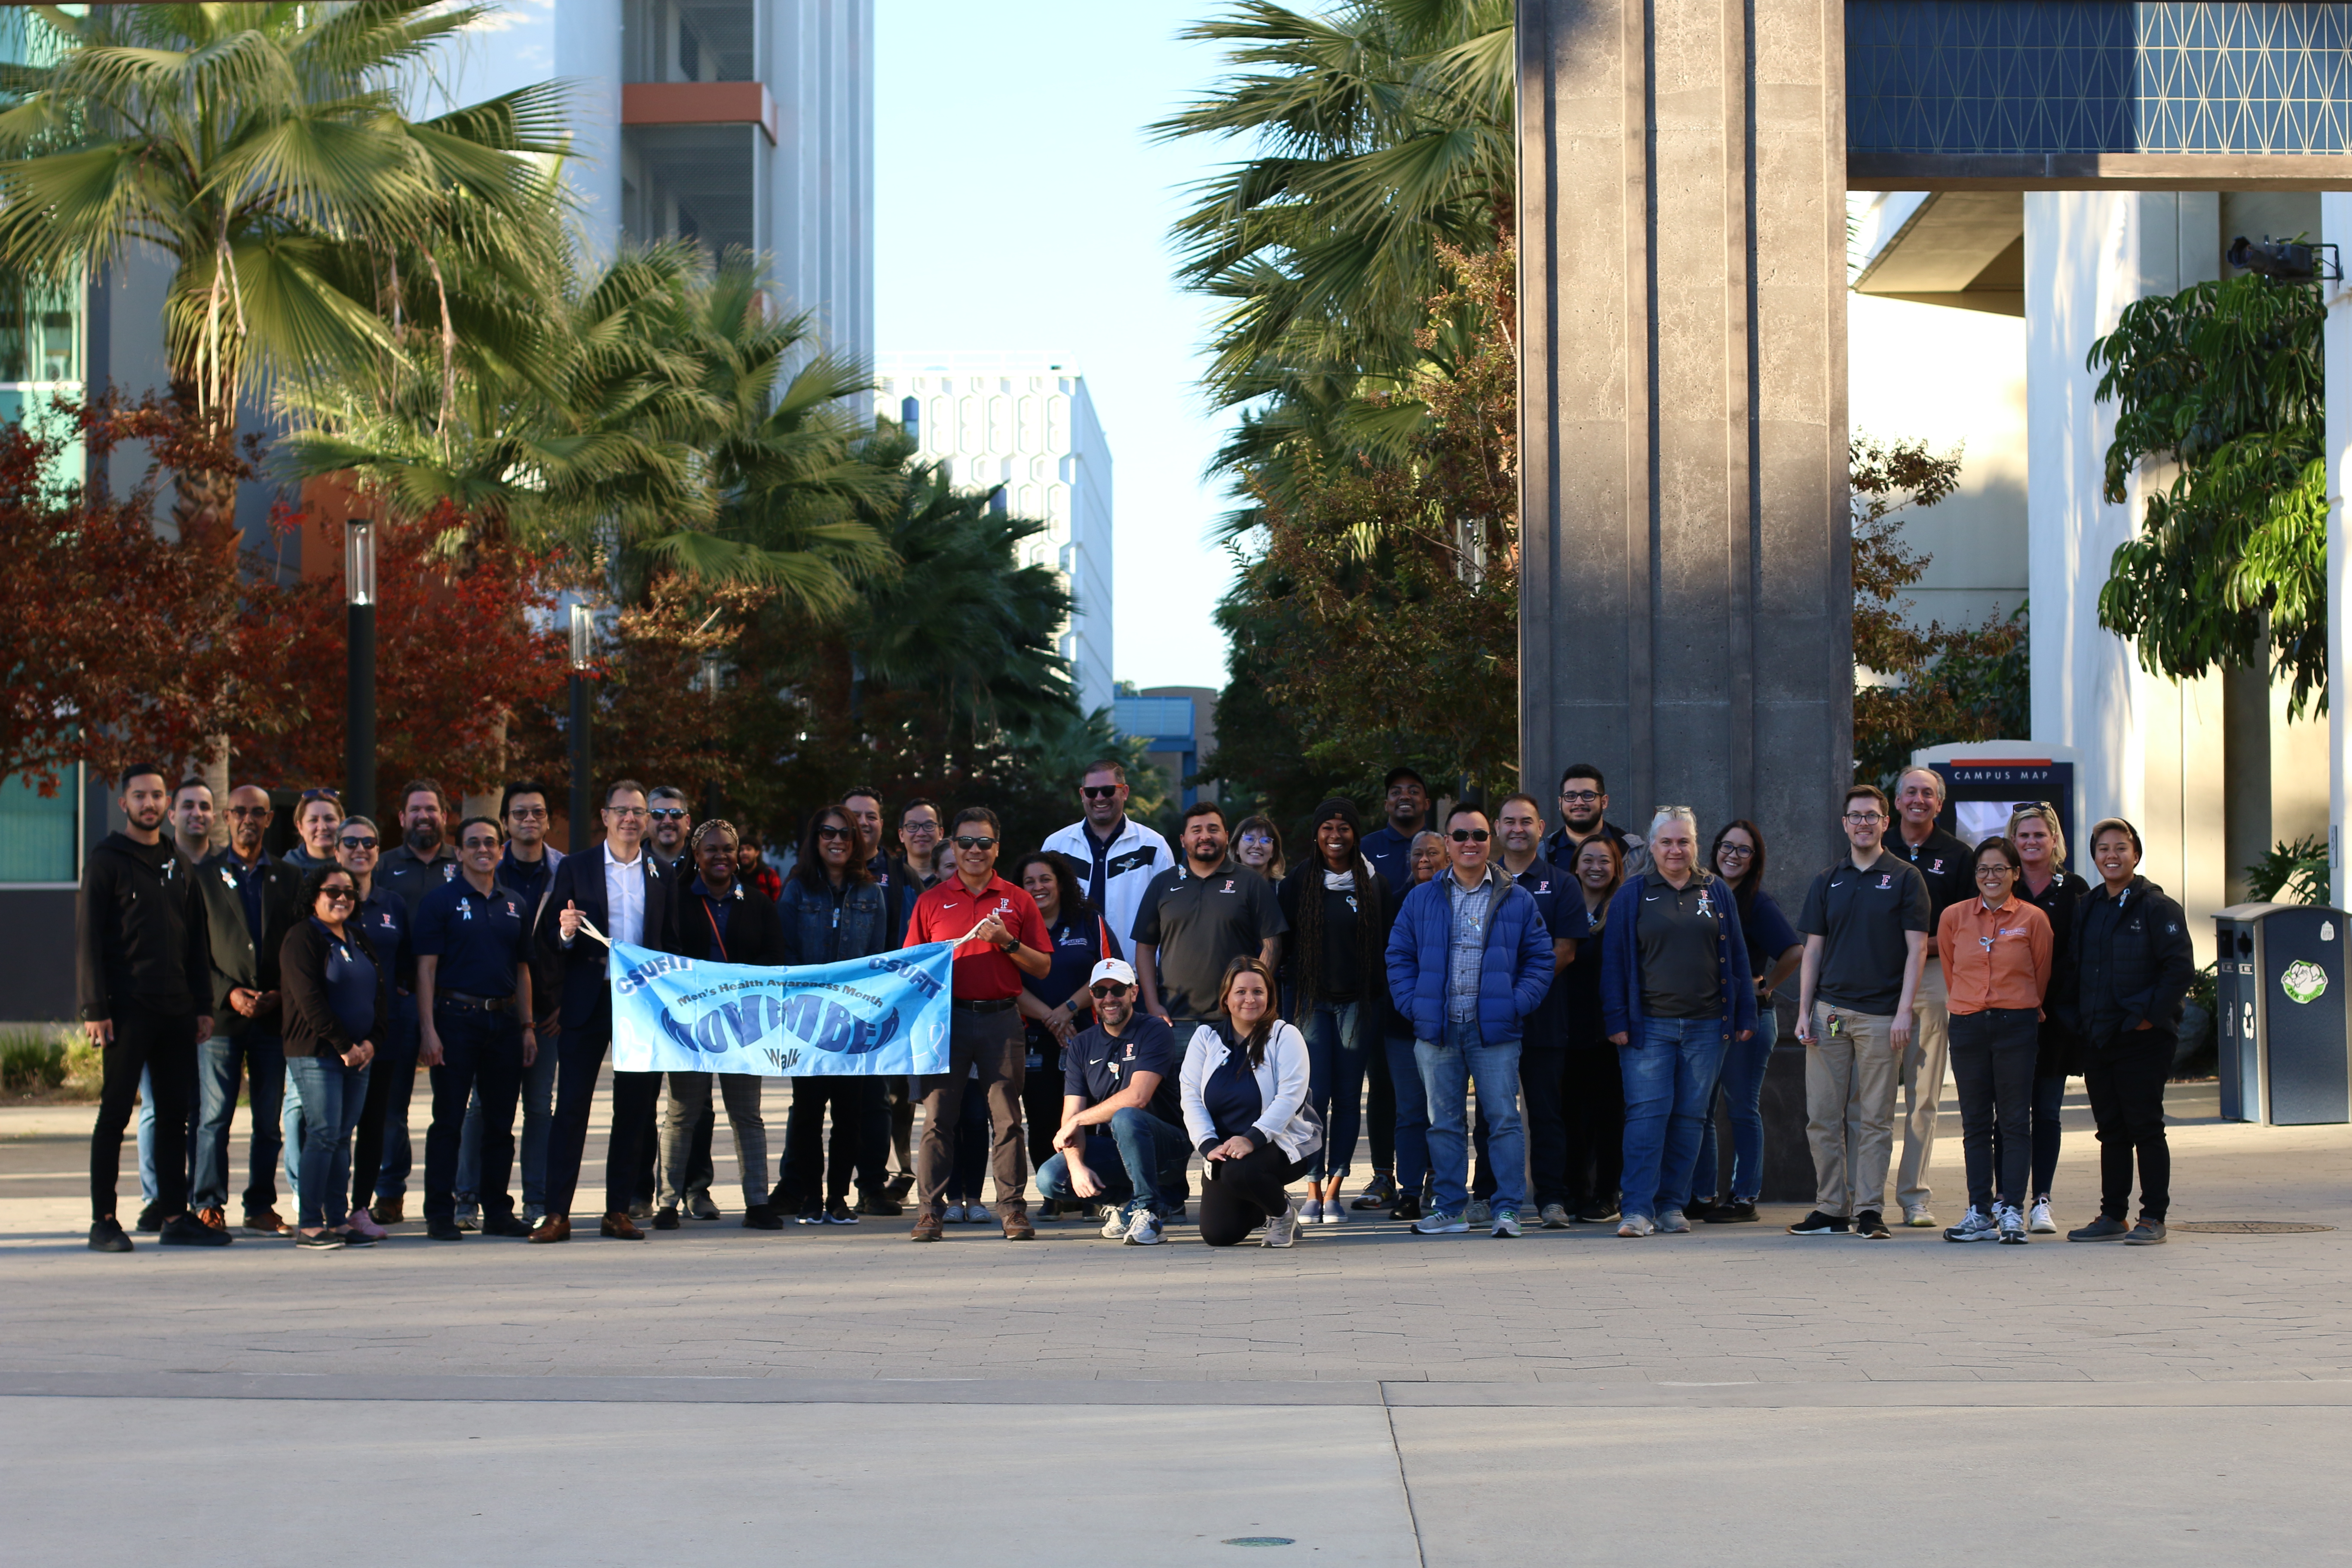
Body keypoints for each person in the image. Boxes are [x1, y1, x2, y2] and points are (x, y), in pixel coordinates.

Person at [1384, 802, 1555, 1239]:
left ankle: (1508, 1209)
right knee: (1443, 1123)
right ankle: (1450, 1209)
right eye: (1460, 836)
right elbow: (1398, 956)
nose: (1470, 844)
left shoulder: (1517, 897)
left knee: (1503, 1121)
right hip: (1437, 1029)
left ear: (1490, 840)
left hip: (1495, 1032)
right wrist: (1415, 1005)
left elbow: (1540, 958)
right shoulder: (1422, 898)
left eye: (1479, 835)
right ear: (1447, 843)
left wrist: (1516, 1003)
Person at [80, 764, 228, 1252]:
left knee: (173, 1117)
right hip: (125, 1009)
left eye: (157, 796)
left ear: (167, 804)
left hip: (176, 1011)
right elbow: (87, 939)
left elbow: (195, 940)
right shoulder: (106, 860)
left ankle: (173, 1216)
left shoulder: (177, 863)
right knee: (116, 1114)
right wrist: (94, 1008)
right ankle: (104, 1221)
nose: (150, 804)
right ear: (124, 804)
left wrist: (203, 1006)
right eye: (140, 796)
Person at [1599, 807, 1757, 1237]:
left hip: (1707, 1028)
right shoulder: (1633, 893)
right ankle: (1636, 1209)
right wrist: (1617, 1018)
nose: (1675, 850)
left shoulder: (1716, 891)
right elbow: (1612, 961)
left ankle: (1671, 1206)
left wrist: (1745, 1012)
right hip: (1648, 1027)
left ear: (1695, 844)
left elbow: (1738, 956)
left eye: (1683, 841)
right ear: (1653, 847)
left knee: (1689, 1119)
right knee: (1647, 1118)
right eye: (1666, 842)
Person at [903, 805, 1053, 1241]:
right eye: (965, 842)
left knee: (1007, 1120)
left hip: (1001, 1019)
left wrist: (1007, 942)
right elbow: (913, 968)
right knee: (937, 1120)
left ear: (997, 848)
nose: (974, 851)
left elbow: (1042, 967)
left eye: (984, 843)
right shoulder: (931, 900)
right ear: (952, 846)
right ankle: (930, 1212)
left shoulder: (1017, 899)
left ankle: (1013, 1210)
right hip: (946, 1021)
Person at [537, 780, 677, 1242]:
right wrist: (567, 932)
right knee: (572, 1108)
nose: (631, 819)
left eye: (641, 812)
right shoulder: (576, 867)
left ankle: (618, 1210)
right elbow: (550, 941)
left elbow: (670, 942)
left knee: (634, 1109)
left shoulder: (661, 873)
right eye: (622, 811)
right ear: (605, 816)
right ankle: (557, 1212)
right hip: (587, 999)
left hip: (640, 1005)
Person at [1790, 784, 1932, 1240]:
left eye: (1873, 816)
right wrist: (1804, 1009)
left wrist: (1905, 1012)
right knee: (1823, 1116)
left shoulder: (1907, 877)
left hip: (1881, 1017)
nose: (1864, 823)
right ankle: (1832, 1208)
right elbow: (1812, 951)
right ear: (1846, 824)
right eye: (1856, 816)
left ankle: (1870, 1209)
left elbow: (1917, 952)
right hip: (1829, 1013)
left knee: (1874, 1118)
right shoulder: (1828, 879)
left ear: (1885, 823)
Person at [2063, 818, 2193, 1246]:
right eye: (2103, 848)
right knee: (2111, 1129)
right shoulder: (2088, 905)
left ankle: (2153, 1216)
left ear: (2136, 854)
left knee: (2145, 1126)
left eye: (2121, 847)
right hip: (2100, 1036)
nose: (2112, 855)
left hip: (2143, 1037)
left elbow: (2179, 969)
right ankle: (2112, 1215)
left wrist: (2147, 1017)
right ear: (2094, 855)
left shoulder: (2157, 907)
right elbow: (2077, 969)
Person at [414, 818, 538, 1241]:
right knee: (448, 1121)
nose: (483, 849)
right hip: (455, 1019)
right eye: (473, 843)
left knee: (501, 1123)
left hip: (503, 1022)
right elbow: (425, 971)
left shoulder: (515, 903)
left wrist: (527, 1026)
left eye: (490, 842)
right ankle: (440, 1213)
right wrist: (428, 1030)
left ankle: (498, 1211)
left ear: (500, 850)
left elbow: (523, 971)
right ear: (460, 852)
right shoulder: (440, 903)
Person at [451, 781, 565, 1230]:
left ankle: (536, 1199)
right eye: (519, 813)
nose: (529, 820)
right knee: (481, 1108)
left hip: (550, 1014)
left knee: (539, 1107)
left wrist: (561, 1004)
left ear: (549, 820)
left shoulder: (567, 871)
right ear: (506, 823)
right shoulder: (484, 870)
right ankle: (468, 1198)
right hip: (493, 1011)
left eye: (537, 812)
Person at [774, 804, 895, 1226]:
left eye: (845, 834)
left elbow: (877, 961)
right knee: (807, 1114)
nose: (838, 840)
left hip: (852, 1025)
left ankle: (839, 1198)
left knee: (850, 1116)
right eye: (828, 833)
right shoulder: (796, 890)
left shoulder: (871, 893)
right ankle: (809, 1197)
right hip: (805, 1024)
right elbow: (784, 957)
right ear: (816, 839)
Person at [659, 818, 782, 1230]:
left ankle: (758, 1203)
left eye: (728, 849)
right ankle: (667, 1203)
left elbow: (775, 960)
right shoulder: (674, 899)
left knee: (747, 1114)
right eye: (711, 849)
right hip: (690, 1026)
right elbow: (662, 956)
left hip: (745, 1026)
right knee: (682, 1113)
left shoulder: (759, 903)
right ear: (695, 856)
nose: (721, 856)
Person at [191, 782, 300, 1234]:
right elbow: (194, 951)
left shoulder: (289, 878)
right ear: (226, 817)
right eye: (240, 812)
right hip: (221, 1016)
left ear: (270, 819)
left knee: (268, 1122)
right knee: (214, 1118)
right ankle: (209, 1203)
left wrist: (280, 993)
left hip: (274, 1016)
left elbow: (298, 947)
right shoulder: (202, 876)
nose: (249, 819)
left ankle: (260, 1206)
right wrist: (229, 992)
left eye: (258, 812)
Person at [1936, 835, 2053, 1244]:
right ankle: (1979, 1210)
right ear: (1975, 876)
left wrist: (2016, 1003)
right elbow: (1951, 972)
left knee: (2016, 1121)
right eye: (1983, 870)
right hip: (1968, 1023)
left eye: (1999, 869)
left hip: (2016, 1023)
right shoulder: (1953, 917)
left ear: (2015, 874)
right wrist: (1971, 1004)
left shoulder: (2034, 919)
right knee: (1974, 1123)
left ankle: (2012, 1212)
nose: (1991, 877)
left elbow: (2040, 972)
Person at [1278, 796, 1390, 1222]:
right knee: (1313, 1098)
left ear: (1355, 834)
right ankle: (1311, 1187)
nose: (1336, 836)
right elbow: (1282, 946)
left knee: (1347, 1099)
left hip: (1357, 1007)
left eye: (1344, 828)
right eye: (1328, 828)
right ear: (1316, 834)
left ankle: (1335, 1190)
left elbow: (1385, 943)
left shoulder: (1374, 883)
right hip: (1310, 1006)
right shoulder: (1299, 880)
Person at [1692, 819, 1803, 1223]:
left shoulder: (1757, 902)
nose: (1733, 856)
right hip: (1708, 1019)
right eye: (1727, 846)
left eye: (1743, 850)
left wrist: (1767, 985)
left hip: (1750, 1019)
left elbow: (1795, 951)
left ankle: (1744, 1198)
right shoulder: (1703, 894)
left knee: (1741, 1108)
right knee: (1702, 1110)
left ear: (1755, 860)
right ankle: (1702, 1195)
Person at [1035, 958, 1190, 1244]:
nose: (1109, 998)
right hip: (1117, 1147)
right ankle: (1121, 1203)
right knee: (1051, 1179)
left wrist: (1079, 1121)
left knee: (1127, 1115)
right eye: (1099, 991)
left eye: (1118, 990)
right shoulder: (1081, 1044)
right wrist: (1076, 1166)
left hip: (1167, 1148)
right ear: (1091, 996)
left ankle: (1148, 1212)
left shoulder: (1155, 1030)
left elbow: (1138, 1097)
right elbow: (1071, 1113)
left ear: (1134, 993)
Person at [277, 864, 387, 1249]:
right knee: (323, 1134)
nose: (341, 898)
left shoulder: (359, 937)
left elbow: (379, 996)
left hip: (359, 1055)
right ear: (313, 896)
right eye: (332, 891)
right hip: (318, 1052)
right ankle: (309, 1225)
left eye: (348, 892)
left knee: (342, 1137)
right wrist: (344, 1045)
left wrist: (372, 1042)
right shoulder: (302, 938)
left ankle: (338, 1222)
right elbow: (309, 1001)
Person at [1180, 956, 1322, 1246]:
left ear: (1269, 996)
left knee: (1240, 1170)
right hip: (1227, 1151)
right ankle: (1263, 1202)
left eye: (1258, 991)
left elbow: (1290, 1097)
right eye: (1241, 992)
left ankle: (1282, 1216)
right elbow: (1191, 1096)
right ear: (1226, 997)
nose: (1250, 999)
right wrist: (1208, 1146)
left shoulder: (1285, 1035)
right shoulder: (1205, 1038)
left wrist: (1252, 1139)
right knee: (1219, 1235)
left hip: (1282, 1144)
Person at [1886, 766, 1974, 1227]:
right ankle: (1863, 1198)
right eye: (1910, 792)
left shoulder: (1959, 856)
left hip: (1934, 980)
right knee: (1871, 1097)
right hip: (1878, 981)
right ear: (1896, 802)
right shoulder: (1875, 847)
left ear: (1939, 804)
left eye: (1928, 793)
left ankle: (1914, 1195)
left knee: (1923, 1096)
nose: (1918, 799)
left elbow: (1966, 930)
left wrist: (1919, 945)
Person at [1494, 793, 1586, 1230]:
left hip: (1545, 1019)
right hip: (1491, 1020)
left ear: (1541, 826)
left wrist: (1517, 992)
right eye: (1509, 821)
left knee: (1547, 1113)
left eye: (1526, 822)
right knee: (1495, 1112)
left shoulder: (1562, 883)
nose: (1517, 829)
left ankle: (1551, 1198)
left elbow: (1564, 951)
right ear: (1497, 828)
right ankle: (1486, 1195)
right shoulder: (1481, 880)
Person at [1013, 849, 1119, 1210]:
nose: (1038, 887)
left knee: (1090, 1115)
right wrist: (1051, 1018)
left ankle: (1095, 1193)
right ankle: (1053, 1194)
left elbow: (1110, 970)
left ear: (1060, 883)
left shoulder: (1089, 920)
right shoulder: (1015, 928)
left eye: (1046, 879)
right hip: (1036, 1038)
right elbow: (1008, 984)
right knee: (1042, 1118)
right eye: (1029, 882)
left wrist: (1069, 1009)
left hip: (1089, 1037)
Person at [1133, 802, 1288, 1031]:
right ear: (1183, 840)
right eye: (1197, 830)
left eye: (1213, 830)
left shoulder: (1251, 882)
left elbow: (1272, 944)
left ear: (1226, 836)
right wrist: (1153, 1004)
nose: (1205, 836)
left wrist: (1252, 999)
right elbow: (1145, 948)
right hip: (1174, 1021)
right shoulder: (1162, 884)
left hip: (1233, 1021)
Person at [2006, 802, 2087, 1233]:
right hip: (2007, 1017)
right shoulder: (2002, 883)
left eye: (2040, 835)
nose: (2032, 842)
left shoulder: (2074, 888)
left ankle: (2042, 1201)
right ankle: (2007, 1202)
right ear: (2013, 842)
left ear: (2054, 840)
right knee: (2010, 1114)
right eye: (2024, 836)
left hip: (2056, 1019)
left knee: (2048, 1113)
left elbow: (2082, 954)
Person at [336, 816, 412, 1236]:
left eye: (369, 842)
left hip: (384, 1033)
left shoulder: (393, 904)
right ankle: (329, 1207)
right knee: (334, 1126)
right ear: (336, 850)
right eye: (351, 842)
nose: (360, 849)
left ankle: (360, 1207)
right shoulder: (325, 902)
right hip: (336, 1036)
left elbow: (406, 962)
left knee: (375, 1123)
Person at [1559, 834, 1628, 1223]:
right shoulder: (1563, 906)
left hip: (1610, 1032)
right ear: (1575, 866)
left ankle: (1607, 1194)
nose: (1596, 867)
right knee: (1571, 1116)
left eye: (1604, 860)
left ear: (1616, 867)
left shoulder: (1621, 908)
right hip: (1567, 1029)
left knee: (1608, 1118)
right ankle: (1574, 1192)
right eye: (1588, 860)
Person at [1041, 761, 1174, 951]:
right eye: (1091, 792)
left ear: (1125, 792)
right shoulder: (1056, 846)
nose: (1100, 798)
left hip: (1133, 973)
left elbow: (1171, 913)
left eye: (1108, 790)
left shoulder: (1153, 846)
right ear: (1082, 795)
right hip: (1070, 972)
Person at [1544, 764, 1648, 877]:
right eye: (1570, 796)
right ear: (1560, 803)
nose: (1579, 802)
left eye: (1588, 795)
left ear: (1604, 802)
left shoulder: (1635, 853)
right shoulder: (1540, 854)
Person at [380, 779, 459, 916]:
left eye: (431, 809)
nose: (423, 816)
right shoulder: (382, 866)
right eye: (415, 810)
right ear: (402, 818)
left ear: (444, 817)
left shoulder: (464, 862)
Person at [1360, 766, 1431, 897]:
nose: (1405, 797)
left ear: (1427, 804)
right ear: (1386, 805)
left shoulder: (1443, 847)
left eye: (1414, 792)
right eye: (1396, 793)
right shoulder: (1366, 847)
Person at [283, 787, 344, 873]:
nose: (322, 827)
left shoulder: (355, 866)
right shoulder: (284, 871)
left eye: (329, 819)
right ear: (300, 827)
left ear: (342, 823)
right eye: (313, 820)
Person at [647, 785, 693, 876]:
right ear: (646, 822)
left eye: (676, 813)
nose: (668, 821)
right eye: (658, 814)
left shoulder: (703, 862)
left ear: (687, 822)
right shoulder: (631, 862)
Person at [170, 777, 215, 865]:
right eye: (188, 806)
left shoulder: (231, 862)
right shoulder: (154, 862)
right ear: (172, 817)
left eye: (204, 808)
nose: (197, 814)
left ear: (214, 819)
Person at [1233, 814, 1286, 884]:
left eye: (1265, 841)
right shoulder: (1220, 886)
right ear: (1236, 848)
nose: (1257, 846)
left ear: (1273, 852)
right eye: (1249, 839)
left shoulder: (1286, 888)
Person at [737, 829, 784, 903]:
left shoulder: (769, 874)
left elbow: (778, 902)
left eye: (749, 849)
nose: (744, 853)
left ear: (757, 853)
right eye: (741, 850)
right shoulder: (734, 875)